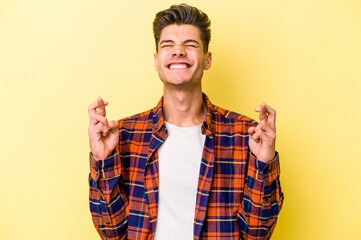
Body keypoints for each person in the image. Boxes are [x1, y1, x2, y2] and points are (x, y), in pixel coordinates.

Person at [88, 4, 283, 240]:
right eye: (167, 45)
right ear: (156, 60)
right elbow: (112, 233)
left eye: (190, 45)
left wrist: (264, 163)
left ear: (207, 59)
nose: (178, 51)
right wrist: (102, 160)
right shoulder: (125, 134)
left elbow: (257, 234)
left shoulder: (244, 135)